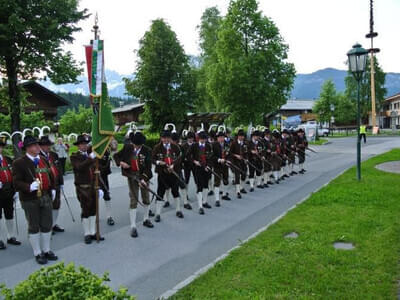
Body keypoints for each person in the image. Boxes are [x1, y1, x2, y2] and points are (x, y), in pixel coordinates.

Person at [12, 136, 57, 264]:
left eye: (38, 144)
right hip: (29, 199)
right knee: (34, 226)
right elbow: (16, 182)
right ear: (27, 148)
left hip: (45, 196)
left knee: (47, 224)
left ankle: (47, 250)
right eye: (34, 145)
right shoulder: (19, 163)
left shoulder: (43, 159)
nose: (38, 147)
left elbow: (50, 175)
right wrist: (28, 186)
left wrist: (53, 188)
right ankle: (38, 252)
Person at [114, 132, 154, 238]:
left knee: (146, 198)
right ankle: (133, 226)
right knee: (134, 199)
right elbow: (116, 156)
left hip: (143, 176)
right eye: (135, 144)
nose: (137, 147)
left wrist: (144, 179)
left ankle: (146, 219)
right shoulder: (127, 147)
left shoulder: (147, 150)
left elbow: (149, 168)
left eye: (139, 145)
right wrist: (121, 163)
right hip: (131, 175)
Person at [70, 135, 105, 244]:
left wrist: (101, 188)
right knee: (85, 210)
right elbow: (80, 167)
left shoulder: (91, 156)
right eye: (82, 144)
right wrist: (90, 158)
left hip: (93, 186)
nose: (84, 146)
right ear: (78, 146)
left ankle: (93, 231)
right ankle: (87, 233)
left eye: (86, 144)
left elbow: (98, 169)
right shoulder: (74, 156)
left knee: (94, 210)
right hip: (82, 187)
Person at [152, 130, 183, 222]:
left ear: (170, 138)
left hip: (173, 172)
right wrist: (158, 162)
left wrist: (174, 165)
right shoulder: (157, 147)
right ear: (161, 138)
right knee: (160, 193)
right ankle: (158, 214)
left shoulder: (175, 147)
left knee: (175, 191)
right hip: (162, 173)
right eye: (164, 138)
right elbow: (152, 159)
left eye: (168, 138)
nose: (166, 140)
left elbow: (180, 158)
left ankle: (178, 210)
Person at [38, 136, 65, 234]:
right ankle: (46, 226)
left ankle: (54, 224)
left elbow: (59, 169)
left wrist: (61, 182)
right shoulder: (38, 156)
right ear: (41, 146)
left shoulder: (54, 155)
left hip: (56, 183)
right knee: (46, 206)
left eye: (49, 145)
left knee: (56, 204)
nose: (48, 147)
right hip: (46, 185)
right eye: (45, 145)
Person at [0, 136, 20, 250]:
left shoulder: (7, 159)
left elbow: (13, 174)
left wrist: (16, 190)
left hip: (9, 190)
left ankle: (10, 236)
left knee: (9, 214)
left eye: (1, 147)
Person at [187, 131, 213, 214]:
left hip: (206, 169)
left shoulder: (208, 146)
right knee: (199, 186)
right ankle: (200, 206)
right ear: (198, 138)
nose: (203, 140)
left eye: (204, 139)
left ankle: (205, 202)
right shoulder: (194, 146)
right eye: (201, 139)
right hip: (197, 169)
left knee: (206, 186)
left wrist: (209, 166)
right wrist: (194, 161)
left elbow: (210, 157)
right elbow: (188, 155)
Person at [211, 131, 231, 204]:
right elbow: (211, 155)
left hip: (225, 165)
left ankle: (224, 194)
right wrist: (218, 159)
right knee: (217, 181)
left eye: (223, 137)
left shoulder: (226, 144)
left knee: (226, 180)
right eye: (220, 137)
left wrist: (228, 160)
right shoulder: (214, 145)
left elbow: (229, 154)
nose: (222, 138)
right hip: (217, 165)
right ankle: (217, 199)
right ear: (217, 138)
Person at [229, 129, 248, 198]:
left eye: (243, 136)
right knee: (237, 176)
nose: (241, 137)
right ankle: (238, 191)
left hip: (243, 162)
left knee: (244, 175)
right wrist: (235, 155)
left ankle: (241, 187)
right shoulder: (234, 143)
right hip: (236, 162)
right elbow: (230, 153)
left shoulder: (245, 143)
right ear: (238, 136)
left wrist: (246, 159)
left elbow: (246, 152)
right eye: (240, 136)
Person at [99, 148, 115, 226]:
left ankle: (109, 216)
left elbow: (107, 165)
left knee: (106, 196)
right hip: (92, 178)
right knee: (93, 197)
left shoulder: (105, 150)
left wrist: (100, 170)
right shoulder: (91, 150)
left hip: (103, 176)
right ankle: (94, 215)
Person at [181, 131, 196, 210]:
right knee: (186, 180)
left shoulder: (195, 145)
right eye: (189, 138)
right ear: (187, 138)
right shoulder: (183, 146)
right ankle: (185, 194)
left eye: (192, 138)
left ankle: (198, 193)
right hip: (187, 165)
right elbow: (182, 156)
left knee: (196, 178)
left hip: (194, 164)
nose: (191, 139)